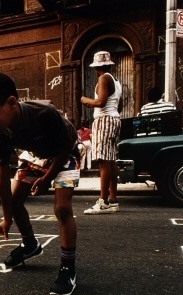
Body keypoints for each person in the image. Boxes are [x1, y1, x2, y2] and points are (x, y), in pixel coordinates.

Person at [0, 72, 79, 295]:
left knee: (62, 209)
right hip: (36, 154)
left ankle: (68, 268)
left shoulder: (45, 114)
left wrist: (47, 178)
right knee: (15, 199)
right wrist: (8, 218)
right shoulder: (0, 135)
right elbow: (2, 182)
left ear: (11, 103)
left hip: (64, 152)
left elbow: (64, 151)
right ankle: (30, 244)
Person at [80, 51, 122, 215]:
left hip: (104, 120)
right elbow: (119, 105)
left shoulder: (103, 78)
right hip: (114, 119)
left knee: (103, 161)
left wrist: (85, 100)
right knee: (111, 161)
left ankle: (103, 201)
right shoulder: (116, 81)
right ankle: (113, 200)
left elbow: (100, 102)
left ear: (96, 67)